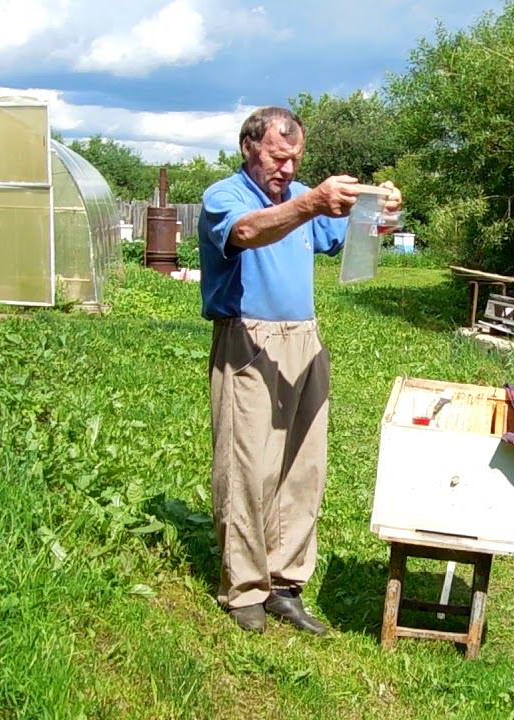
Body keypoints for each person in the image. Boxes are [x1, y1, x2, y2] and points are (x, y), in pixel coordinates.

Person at [198, 106, 401, 635]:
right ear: (248, 147)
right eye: (276, 157)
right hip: (249, 341)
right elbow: (246, 232)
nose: (287, 169)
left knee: (303, 467)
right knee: (247, 467)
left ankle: (284, 584)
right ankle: (244, 588)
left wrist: (380, 210)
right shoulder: (225, 197)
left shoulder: (302, 196)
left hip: (305, 340)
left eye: (295, 159)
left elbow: (347, 235)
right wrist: (310, 203)